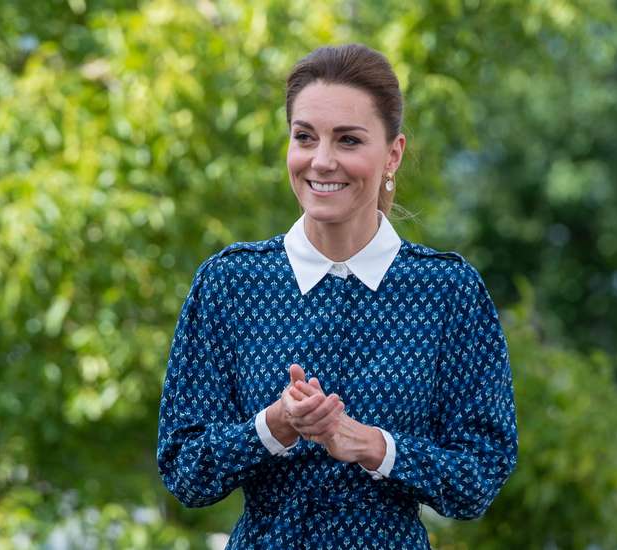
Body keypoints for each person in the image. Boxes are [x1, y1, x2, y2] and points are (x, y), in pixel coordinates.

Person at [156, 43, 517, 549]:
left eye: (348, 140)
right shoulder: (230, 284)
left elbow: (480, 476)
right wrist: (273, 426)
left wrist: (375, 446)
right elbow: (183, 471)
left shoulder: (448, 292)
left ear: (393, 153)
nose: (321, 161)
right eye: (305, 137)